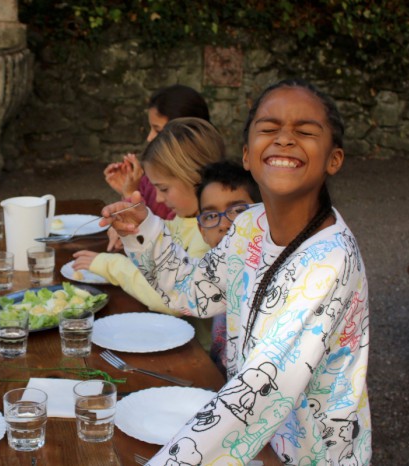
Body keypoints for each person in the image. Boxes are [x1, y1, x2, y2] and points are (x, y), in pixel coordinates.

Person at [102, 79, 371, 465]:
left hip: (311, 453)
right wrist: (143, 231)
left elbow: (263, 387)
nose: (284, 139)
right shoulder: (249, 225)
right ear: (247, 155)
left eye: (305, 131)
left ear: (334, 159)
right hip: (251, 439)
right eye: (269, 128)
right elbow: (193, 291)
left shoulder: (329, 262)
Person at [73, 117, 225, 350]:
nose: (160, 199)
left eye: (164, 189)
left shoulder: (212, 234)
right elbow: (165, 242)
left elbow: (170, 301)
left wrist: (111, 266)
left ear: (196, 179)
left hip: (196, 352)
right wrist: (136, 232)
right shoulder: (186, 218)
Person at [104, 84, 210, 220]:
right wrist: (130, 186)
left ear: (187, 133)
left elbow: (163, 233)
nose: (149, 138)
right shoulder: (154, 173)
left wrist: (131, 195)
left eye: (158, 131)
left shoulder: (196, 186)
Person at [193, 161, 261, 372]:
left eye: (238, 210)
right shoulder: (213, 273)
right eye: (211, 216)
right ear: (202, 230)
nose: (224, 224)